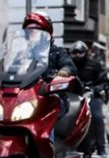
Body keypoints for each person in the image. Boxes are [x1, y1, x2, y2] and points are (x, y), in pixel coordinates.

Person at [22, 12, 77, 148]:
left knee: (48, 111)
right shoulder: (20, 54)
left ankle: (49, 146)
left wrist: (64, 72)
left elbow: (69, 65)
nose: (33, 34)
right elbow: (6, 66)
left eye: (37, 31)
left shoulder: (57, 52)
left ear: (47, 33)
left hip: (48, 95)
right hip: (24, 97)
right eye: (30, 31)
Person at [70, 40, 109, 157]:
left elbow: (105, 81)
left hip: (91, 96)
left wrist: (97, 88)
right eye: (75, 52)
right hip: (73, 96)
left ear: (85, 53)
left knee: (97, 117)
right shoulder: (68, 66)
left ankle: (101, 147)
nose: (77, 55)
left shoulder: (94, 65)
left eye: (80, 52)